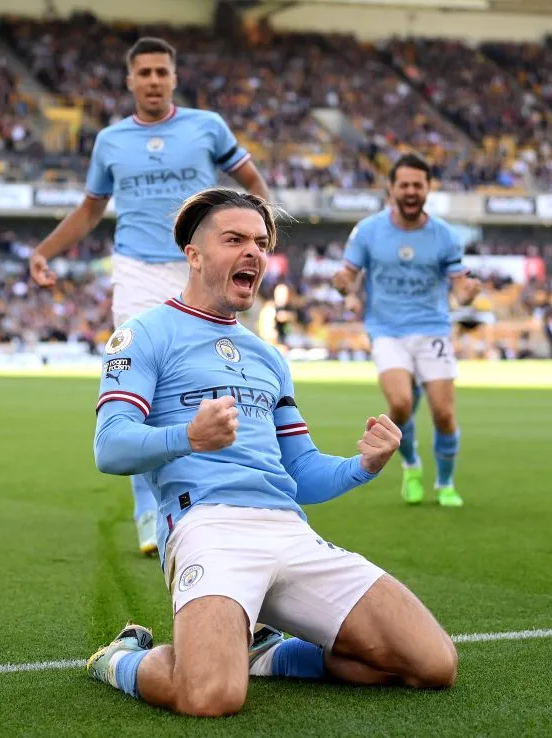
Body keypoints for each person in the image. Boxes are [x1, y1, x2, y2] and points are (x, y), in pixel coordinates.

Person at [86, 188, 458, 717]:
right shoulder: (143, 334)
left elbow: (301, 471)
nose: (253, 253)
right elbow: (110, 447)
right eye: (234, 239)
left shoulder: (269, 357)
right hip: (207, 527)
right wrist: (186, 438)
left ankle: (267, 653)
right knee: (211, 695)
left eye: (260, 243)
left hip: (289, 530)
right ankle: (120, 658)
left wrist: (363, 466)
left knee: (430, 664)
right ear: (193, 255)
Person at [28, 37, 270, 556]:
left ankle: (229, 487)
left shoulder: (207, 126)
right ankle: (147, 511)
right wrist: (45, 251)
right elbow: (90, 210)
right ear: (130, 80)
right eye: (145, 73)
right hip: (136, 268)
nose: (154, 80)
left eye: (162, 71)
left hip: (199, 260)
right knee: (139, 380)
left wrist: (258, 230)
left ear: (174, 78)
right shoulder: (111, 140)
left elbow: (249, 179)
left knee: (215, 373)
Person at [331, 154, 481, 508]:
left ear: (428, 188)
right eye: (405, 185)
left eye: (418, 184)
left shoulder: (445, 235)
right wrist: (342, 285)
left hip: (432, 329)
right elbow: (348, 278)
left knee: (443, 414)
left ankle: (444, 482)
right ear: (392, 188)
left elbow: (459, 286)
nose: (411, 191)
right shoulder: (368, 230)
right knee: (399, 405)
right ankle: (411, 465)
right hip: (387, 330)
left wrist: (467, 292)